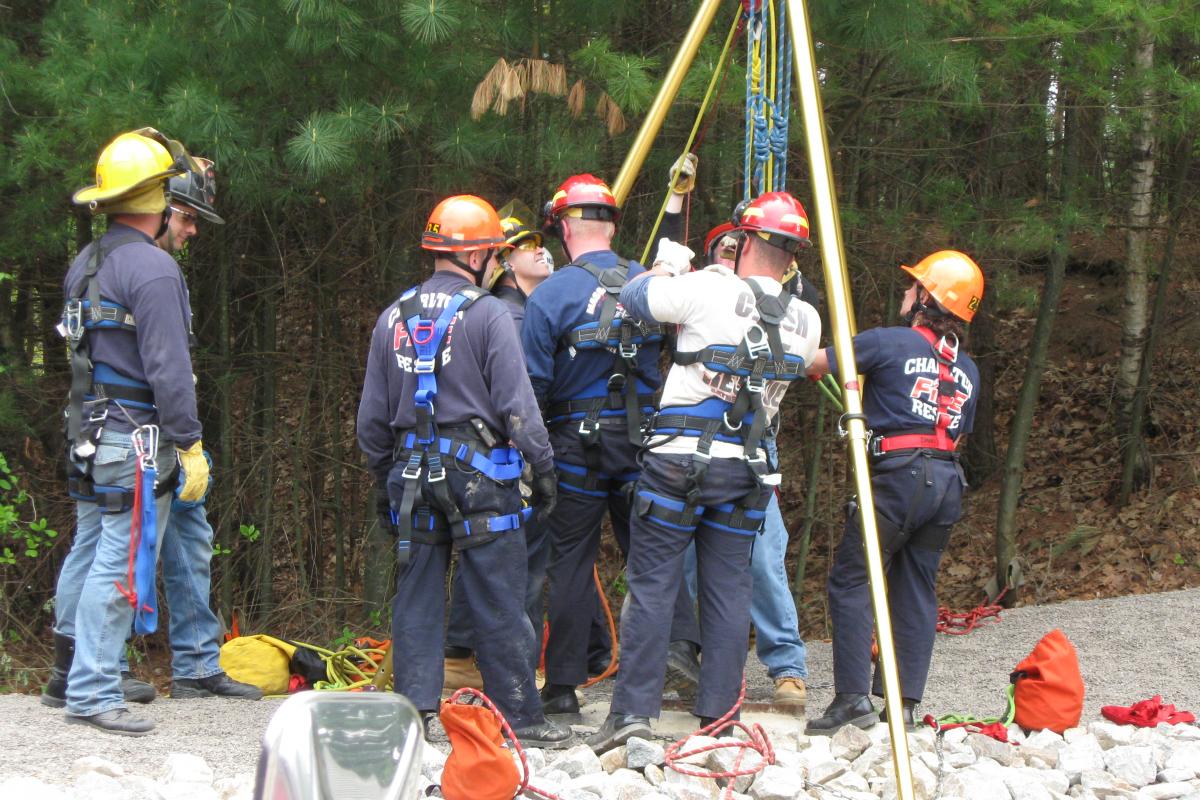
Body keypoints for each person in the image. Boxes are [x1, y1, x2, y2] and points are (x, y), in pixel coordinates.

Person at [587, 192, 821, 752]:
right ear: (792, 255)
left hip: (678, 463)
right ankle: (720, 715)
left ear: (743, 241)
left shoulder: (710, 287)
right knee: (728, 592)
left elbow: (639, 298)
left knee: (652, 587)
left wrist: (668, 261)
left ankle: (633, 715)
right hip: (746, 474)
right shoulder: (806, 318)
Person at [356, 194, 572, 748]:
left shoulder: (391, 318)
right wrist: (542, 468)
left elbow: (372, 421)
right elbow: (516, 405)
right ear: (479, 255)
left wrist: (389, 480)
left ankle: (416, 715)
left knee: (417, 596)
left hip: (410, 472)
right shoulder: (488, 313)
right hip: (478, 478)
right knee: (498, 595)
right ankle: (519, 718)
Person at [522, 173, 702, 722]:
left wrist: (536, 459)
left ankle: (563, 687)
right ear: (611, 225)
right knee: (654, 554)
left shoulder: (550, 295)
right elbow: (689, 356)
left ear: (563, 229)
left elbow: (531, 385)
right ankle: (679, 653)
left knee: (570, 562)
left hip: (574, 447)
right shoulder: (652, 285)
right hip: (647, 442)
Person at [48, 128, 211, 735]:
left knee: (90, 547)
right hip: (135, 438)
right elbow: (169, 371)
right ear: (157, 195)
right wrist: (189, 442)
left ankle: (68, 674)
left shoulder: (87, 261)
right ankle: (93, 689)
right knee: (121, 554)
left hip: (89, 429)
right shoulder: (155, 270)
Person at [803, 250, 983, 735]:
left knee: (853, 579)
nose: (905, 292)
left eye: (913, 286)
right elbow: (955, 432)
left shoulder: (887, 343)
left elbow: (815, 364)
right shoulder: (967, 369)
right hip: (946, 484)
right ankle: (901, 704)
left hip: (898, 479)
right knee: (916, 588)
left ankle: (851, 699)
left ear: (927, 297)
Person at [676, 220, 815, 711]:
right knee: (692, 562)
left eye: (739, 247)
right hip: (693, 444)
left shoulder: (783, 303)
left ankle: (787, 666)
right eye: (724, 248)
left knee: (761, 558)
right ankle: (708, 664)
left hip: (752, 448)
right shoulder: (701, 297)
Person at [154, 160, 261, 701]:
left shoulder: (161, 270)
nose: (192, 230)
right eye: (187, 217)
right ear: (159, 208)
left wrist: (189, 442)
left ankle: (197, 665)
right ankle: (104, 668)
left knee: (192, 543)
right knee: (127, 552)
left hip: (176, 437)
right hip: (144, 440)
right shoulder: (143, 271)